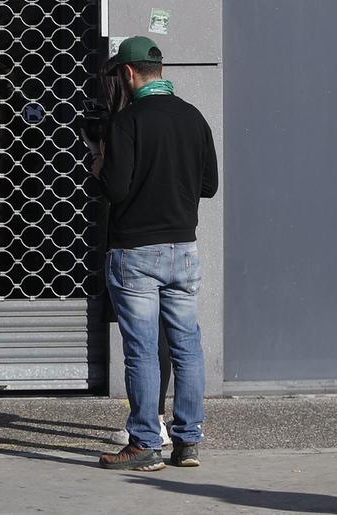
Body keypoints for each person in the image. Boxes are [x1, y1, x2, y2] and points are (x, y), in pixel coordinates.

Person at [97, 36, 218, 472]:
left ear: (129, 74)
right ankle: (189, 441)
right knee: (187, 346)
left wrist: (100, 161)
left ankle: (146, 443)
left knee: (143, 351)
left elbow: (114, 188)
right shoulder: (194, 119)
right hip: (183, 249)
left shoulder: (127, 123)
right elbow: (209, 186)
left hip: (135, 254)